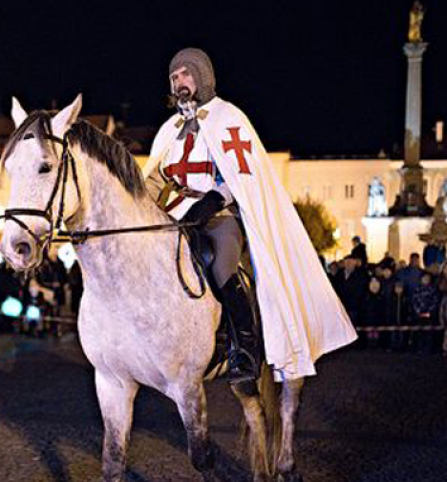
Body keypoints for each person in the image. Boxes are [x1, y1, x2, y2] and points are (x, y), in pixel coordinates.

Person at [144, 48, 356, 383]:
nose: (180, 81)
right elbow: (155, 179)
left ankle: (243, 348)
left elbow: (242, 173)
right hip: (177, 214)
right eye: (174, 77)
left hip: (219, 215)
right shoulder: (170, 128)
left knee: (222, 264)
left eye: (186, 73)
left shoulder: (227, 117)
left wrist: (215, 198)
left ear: (202, 77)